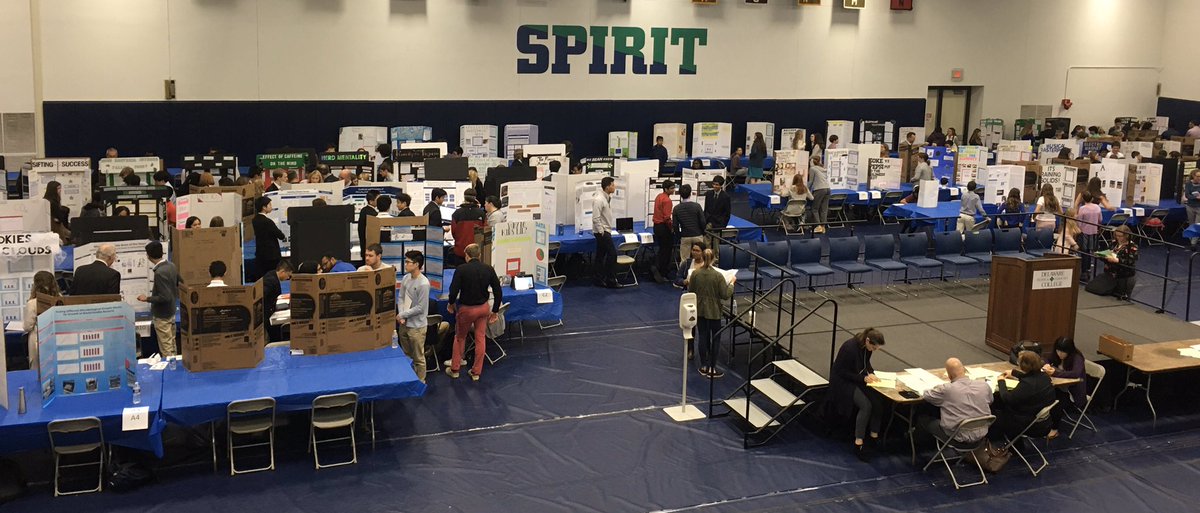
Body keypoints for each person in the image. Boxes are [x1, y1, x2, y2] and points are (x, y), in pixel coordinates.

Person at [446, 243, 502, 381]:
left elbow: (453, 291)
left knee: (460, 337)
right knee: (480, 338)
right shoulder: (488, 269)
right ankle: (476, 372)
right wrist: (495, 311)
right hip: (483, 308)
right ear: (480, 255)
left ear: (466, 256)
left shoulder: (461, 269)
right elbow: (498, 291)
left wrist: (451, 303)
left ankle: (455, 369)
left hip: (467, 309)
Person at [830, 328, 887, 461]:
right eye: (873, 347)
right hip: (843, 381)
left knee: (877, 402)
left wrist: (871, 373)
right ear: (867, 341)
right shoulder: (849, 348)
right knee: (865, 405)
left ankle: (873, 436)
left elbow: (866, 363)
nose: (874, 350)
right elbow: (841, 371)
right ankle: (858, 443)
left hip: (857, 377)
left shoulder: (867, 348)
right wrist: (863, 378)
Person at [919, 358, 993, 445]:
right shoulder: (984, 386)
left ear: (949, 376)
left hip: (957, 437)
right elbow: (990, 401)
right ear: (965, 370)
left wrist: (938, 387)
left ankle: (915, 445)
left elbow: (926, 395)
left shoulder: (947, 389)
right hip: (981, 435)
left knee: (923, 419)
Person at [687, 248, 734, 379]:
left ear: (702, 257)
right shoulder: (718, 276)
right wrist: (732, 284)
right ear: (714, 259)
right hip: (714, 311)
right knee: (716, 338)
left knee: (702, 336)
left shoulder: (695, 274)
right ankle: (712, 368)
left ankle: (703, 366)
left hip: (700, 309)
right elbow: (725, 295)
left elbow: (691, 291)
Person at [990, 351, 1056, 442]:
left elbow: (1007, 399)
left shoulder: (1027, 385)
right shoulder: (1044, 377)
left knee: (994, 408)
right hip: (1043, 421)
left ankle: (995, 439)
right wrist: (1014, 373)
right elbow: (1032, 377)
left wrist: (1001, 381)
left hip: (1026, 423)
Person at [137, 242, 179, 357]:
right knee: (172, 343)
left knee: (166, 347)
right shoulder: (171, 266)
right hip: (171, 311)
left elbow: (164, 297)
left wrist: (147, 299)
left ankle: (169, 366)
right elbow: (178, 283)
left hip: (162, 314)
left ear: (148, 255)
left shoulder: (160, 272)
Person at [1042, 337, 1087, 440]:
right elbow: (1045, 358)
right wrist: (1046, 364)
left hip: (1072, 392)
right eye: (1058, 351)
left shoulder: (1077, 358)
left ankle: (1054, 428)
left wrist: (1055, 373)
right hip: (1059, 387)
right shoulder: (1056, 355)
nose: (1060, 354)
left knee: (1057, 402)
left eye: (1063, 352)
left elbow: (1075, 373)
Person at [396, 250, 430, 383]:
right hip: (404, 324)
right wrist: (402, 316)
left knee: (418, 358)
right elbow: (401, 297)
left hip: (417, 327)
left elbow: (421, 308)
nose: (405, 264)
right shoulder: (406, 278)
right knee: (406, 355)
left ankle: (421, 381)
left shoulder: (423, 284)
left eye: (408, 262)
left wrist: (402, 314)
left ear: (416, 264)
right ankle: (409, 379)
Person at [1086, 225, 1138, 299]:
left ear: (1126, 236)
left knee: (1122, 298)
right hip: (1110, 275)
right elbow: (1107, 253)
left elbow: (1130, 261)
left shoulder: (1132, 246)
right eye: (1116, 235)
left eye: (1120, 236)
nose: (1118, 238)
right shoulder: (1114, 243)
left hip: (1124, 276)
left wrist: (1117, 260)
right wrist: (1100, 255)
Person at [23, 271, 61, 365]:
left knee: (37, 370)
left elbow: (27, 327)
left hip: (38, 342)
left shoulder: (32, 303)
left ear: (35, 285)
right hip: (57, 340)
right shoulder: (60, 300)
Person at [252, 197, 286, 281]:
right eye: (269, 204)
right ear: (264, 207)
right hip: (272, 254)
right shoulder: (267, 222)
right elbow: (280, 235)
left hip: (260, 253)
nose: (271, 206)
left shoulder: (255, 220)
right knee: (272, 277)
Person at [593, 176, 618, 288]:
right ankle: (611, 280)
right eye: (613, 185)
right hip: (602, 231)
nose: (614, 186)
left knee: (600, 255)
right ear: (607, 187)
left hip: (605, 230)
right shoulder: (599, 200)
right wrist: (601, 231)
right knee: (612, 254)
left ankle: (598, 278)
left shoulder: (606, 198)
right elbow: (595, 217)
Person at [673, 184, 706, 266]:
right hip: (697, 234)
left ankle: (684, 273)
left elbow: (675, 225)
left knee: (684, 260)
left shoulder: (676, 208)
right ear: (690, 193)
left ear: (680, 194)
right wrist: (702, 232)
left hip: (685, 236)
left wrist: (679, 235)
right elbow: (703, 221)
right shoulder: (697, 206)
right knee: (700, 259)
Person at [451, 190, 487, 266]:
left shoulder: (456, 214)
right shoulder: (482, 214)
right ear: (475, 198)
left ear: (464, 198)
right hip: (476, 252)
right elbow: (485, 231)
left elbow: (453, 232)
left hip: (460, 251)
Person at [651, 181, 676, 283]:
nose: (673, 190)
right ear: (666, 189)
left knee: (662, 249)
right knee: (666, 251)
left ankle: (658, 269)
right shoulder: (667, 201)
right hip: (664, 227)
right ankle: (663, 273)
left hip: (656, 226)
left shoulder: (659, 196)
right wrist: (672, 228)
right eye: (671, 188)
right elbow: (667, 218)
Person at [261, 260, 291, 343]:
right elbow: (262, 295)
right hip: (266, 314)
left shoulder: (271, 274)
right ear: (283, 272)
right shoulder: (271, 281)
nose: (288, 278)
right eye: (288, 275)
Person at [1076, 191, 1102, 274]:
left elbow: (1079, 222)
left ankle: (1084, 270)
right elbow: (1100, 220)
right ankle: (1088, 268)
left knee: (1084, 251)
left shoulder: (1082, 209)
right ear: (1092, 198)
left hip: (1084, 232)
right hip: (1094, 232)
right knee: (1090, 251)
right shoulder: (1097, 207)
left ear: (1083, 199)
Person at [807, 155, 831, 234]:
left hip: (819, 189)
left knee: (814, 209)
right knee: (824, 209)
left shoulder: (813, 169)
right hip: (828, 189)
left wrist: (806, 189)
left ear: (811, 161)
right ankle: (823, 227)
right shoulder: (823, 169)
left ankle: (818, 226)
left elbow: (810, 181)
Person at [358, 190, 380, 258]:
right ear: (371, 201)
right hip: (368, 244)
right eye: (378, 199)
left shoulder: (364, 210)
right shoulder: (371, 213)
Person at [1185, 170, 1200, 247]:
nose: (1199, 178)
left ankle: (1193, 243)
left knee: (1197, 225)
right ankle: (1192, 239)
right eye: (1197, 176)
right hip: (1190, 206)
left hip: (1199, 207)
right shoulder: (1188, 184)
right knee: (1191, 224)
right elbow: (1187, 195)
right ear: (1193, 176)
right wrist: (1195, 197)